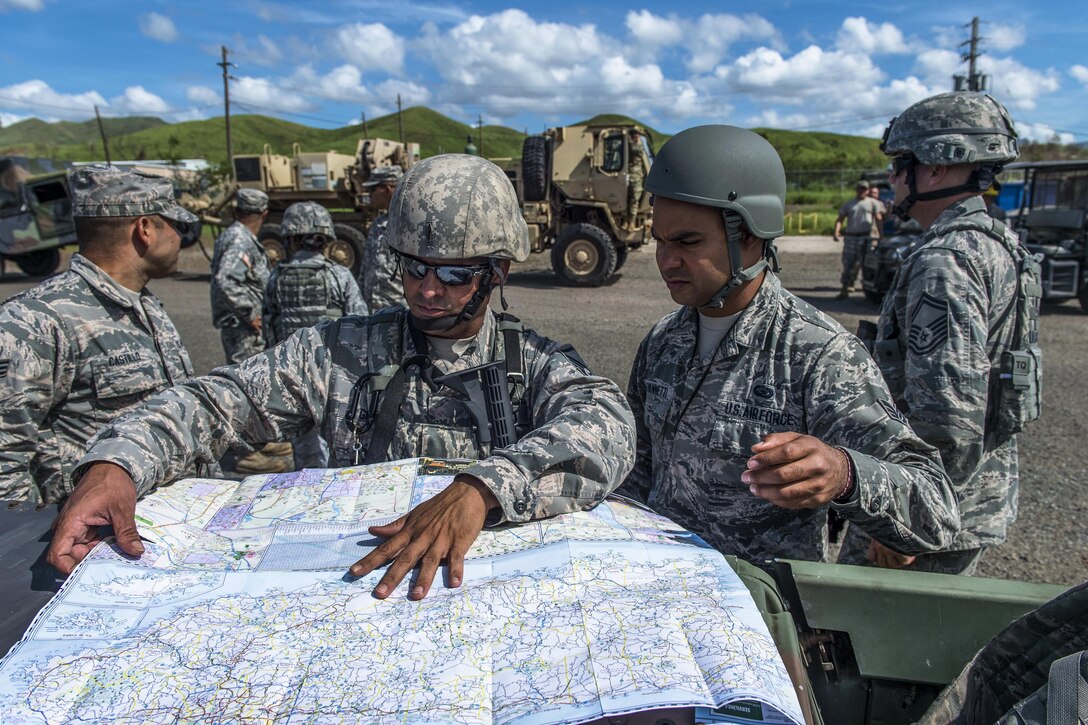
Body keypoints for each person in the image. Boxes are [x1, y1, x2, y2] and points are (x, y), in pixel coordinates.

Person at [47, 154, 636, 602]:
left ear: (498, 271)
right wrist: (117, 464)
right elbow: (213, 402)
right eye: (413, 268)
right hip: (361, 598)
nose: (428, 291)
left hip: (478, 603)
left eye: (455, 273)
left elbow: (607, 424)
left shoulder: (529, 361)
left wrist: (483, 488)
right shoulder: (339, 351)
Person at [616, 125, 959, 566]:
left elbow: (936, 507)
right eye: (660, 241)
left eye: (688, 242)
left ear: (752, 236)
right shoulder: (663, 341)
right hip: (667, 595)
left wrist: (844, 474)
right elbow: (638, 473)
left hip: (763, 614)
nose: (667, 260)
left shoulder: (820, 354)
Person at [840, 92, 1040, 575]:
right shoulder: (1000, 245)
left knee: (856, 644)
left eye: (900, 164)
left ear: (934, 167)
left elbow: (949, 410)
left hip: (920, 509)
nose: (891, 178)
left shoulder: (945, 261)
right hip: (969, 499)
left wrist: (908, 522)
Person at [0, 165, 212, 504]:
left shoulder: (144, 304)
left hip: (167, 526)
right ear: (145, 229)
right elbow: (5, 464)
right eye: (174, 223)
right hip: (95, 543)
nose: (179, 236)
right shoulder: (35, 321)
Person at [263, 201, 368, 469]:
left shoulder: (276, 277)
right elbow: (360, 323)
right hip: (336, 376)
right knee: (342, 450)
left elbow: (269, 328)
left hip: (292, 376)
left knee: (306, 453)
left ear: (291, 238)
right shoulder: (340, 275)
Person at [210, 188, 270, 364]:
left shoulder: (230, 235)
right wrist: (250, 314)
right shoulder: (240, 240)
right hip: (244, 328)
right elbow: (226, 279)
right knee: (249, 380)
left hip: (239, 324)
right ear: (264, 213)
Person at [359, 165, 404, 312]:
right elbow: (367, 266)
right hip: (373, 310)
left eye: (373, 189)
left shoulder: (409, 223)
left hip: (399, 309)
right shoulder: (378, 224)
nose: (369, 194)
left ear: (387, 189)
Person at [832, 180, 884, 299]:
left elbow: (879, 219)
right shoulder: (849, 204)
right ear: (856, 190)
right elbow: (840, 219)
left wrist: (881, 236)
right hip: (851, 237)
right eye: (860, 189)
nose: (862, 191)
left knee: (867, 265)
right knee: (848, 264)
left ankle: (868, 292)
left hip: (866, 237)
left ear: (867, 190)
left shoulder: (873, 203)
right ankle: (844, 289)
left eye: (864, 189)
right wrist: (836, 232)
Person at [625, 129, 648, 229]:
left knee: (634, 200)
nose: (636, 137)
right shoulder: (632, 145)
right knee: (627, 199)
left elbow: (636, 150)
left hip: (637, 176)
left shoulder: (638, 146)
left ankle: (632, 221)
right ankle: (627, 220)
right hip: (629, 175)